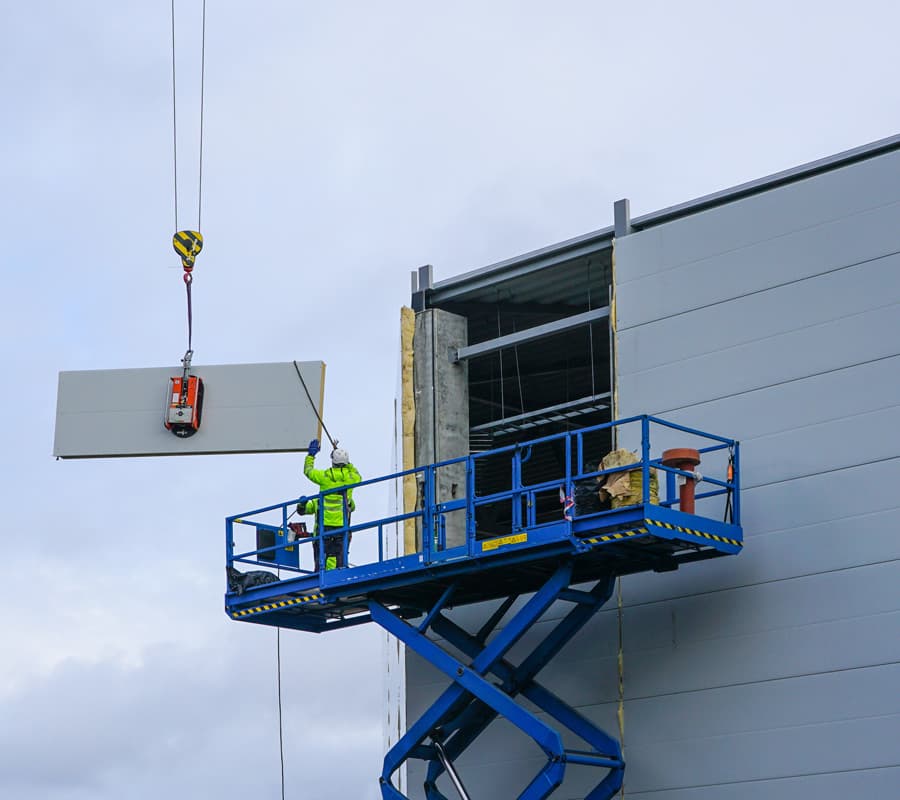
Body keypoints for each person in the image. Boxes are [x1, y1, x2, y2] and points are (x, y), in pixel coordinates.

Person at [303, 439, 361, 569]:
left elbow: (308, 471)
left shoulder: (324, 477)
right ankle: (340, 574)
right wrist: (347, 462)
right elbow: (358, 475)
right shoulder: (350, 478)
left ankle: (319, 576)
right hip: (341, 526)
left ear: (332, 461)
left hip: (324, 527)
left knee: (321, 558)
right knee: (340, 561)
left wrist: (311, 455)